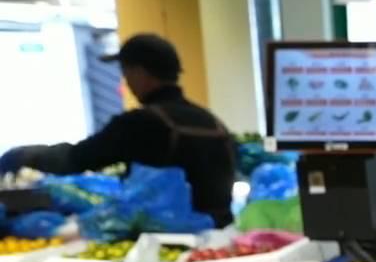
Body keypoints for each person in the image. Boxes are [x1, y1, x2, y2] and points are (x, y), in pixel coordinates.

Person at [0, 33, 237, 227]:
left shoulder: (141, 122)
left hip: (169, 238)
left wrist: (27, 155)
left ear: (140, 73)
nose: (126, 81)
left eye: (126, 72)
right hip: (222, 235)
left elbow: (77, 158)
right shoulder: (212, 121)